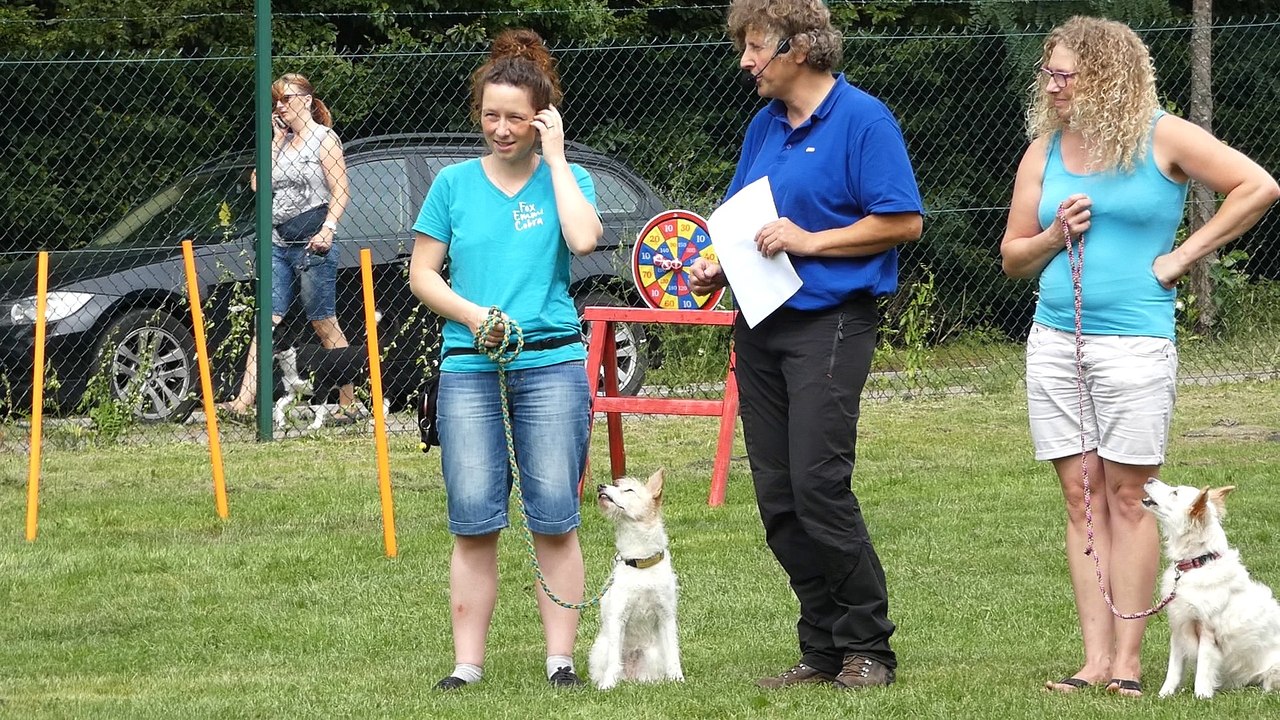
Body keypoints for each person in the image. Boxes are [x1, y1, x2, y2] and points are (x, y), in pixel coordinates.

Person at [1000, 16, 1279, 697]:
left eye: (1067, 74)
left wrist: (1180, 258)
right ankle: (1092, 660)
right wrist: (1053, 235)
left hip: (1134, 341)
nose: (1054, 86)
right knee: (1080, 496)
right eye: (1050, 74)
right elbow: (1012, 256)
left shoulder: (1165, 135)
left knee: (1129, 497)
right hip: (1055, 339)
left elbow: (1259, 186)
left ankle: (1127, 663)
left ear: (1107, 75)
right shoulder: (1045, 150)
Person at [689, 0, 923, 690]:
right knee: (779, 496)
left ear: (799, 46)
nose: (745, 61)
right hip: (759, 325)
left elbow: (903, 220)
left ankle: (869, 646)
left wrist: (811, 241)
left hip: (832, 320)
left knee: (819, 484)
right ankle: (822, 648)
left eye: (756, 46)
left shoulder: (863, 120)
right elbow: (741, 223)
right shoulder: (764, 125)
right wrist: (717, 263)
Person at [407, 28, 603, 690]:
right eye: (490, 115)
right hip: (468, 367)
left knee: (554, 514)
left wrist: (555, 156)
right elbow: (422, 275)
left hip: (551, 365)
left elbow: (582, 239)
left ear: (540, 118)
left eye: (515, 117)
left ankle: (560, 661)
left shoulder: (566, 178)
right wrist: (471, 314)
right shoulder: (453, 185)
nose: (500, 128)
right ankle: (466, 666)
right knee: (474, 519)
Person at [219, 73, 355, 422]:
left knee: (323, 321)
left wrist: (328, 229)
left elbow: (341, 192)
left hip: (314, 242)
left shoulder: (324, 140)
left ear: (307, 100)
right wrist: (273, 140)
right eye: (277, 100)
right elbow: (256, 185)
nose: (281, 105)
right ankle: (243, 402)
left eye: (287, 98)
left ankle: (348, 403)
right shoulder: (280, 142)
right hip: (279, 242)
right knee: (268, 318)